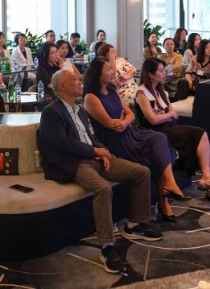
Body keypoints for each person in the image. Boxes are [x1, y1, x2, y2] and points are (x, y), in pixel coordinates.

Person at [37, 69, 162, 274]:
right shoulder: (51, 112)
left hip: (94, 158)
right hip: (75, 163)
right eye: (74, 79)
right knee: (102, 188)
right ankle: (107, 246)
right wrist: (94, 151)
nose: (80, 81)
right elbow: (62, 144)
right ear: (63, 86)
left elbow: (92, 137)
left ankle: (134, 225)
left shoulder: (80, 110)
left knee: (141, 172)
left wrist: (103, 152)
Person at [83, 57, 192, 222]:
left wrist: (124, 122)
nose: (112, 72)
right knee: (157, 151)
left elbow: (130, 114)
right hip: (115, 141)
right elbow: (110, 124)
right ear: (97, 73)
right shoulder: (91, 97)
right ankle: (164, 202)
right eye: (108, 69)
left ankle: (169, 185)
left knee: (158, 139)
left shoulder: (112, 90)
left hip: (128, 132)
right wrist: (123, 121)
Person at [135, 58, 210, 205]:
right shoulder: (141, 93)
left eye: (164, 70)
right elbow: (153, 120)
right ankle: (208, 183)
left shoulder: (161, 91)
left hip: (168, 127)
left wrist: (165, 115)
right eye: (161, 71)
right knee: (197, 134)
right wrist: (167, 115)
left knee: (200, 133)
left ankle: (207, 179)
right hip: (155, 133)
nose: (164, 73)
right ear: (150, 74)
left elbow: (173, 114)